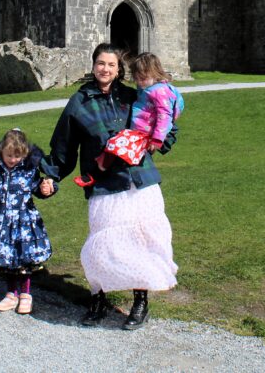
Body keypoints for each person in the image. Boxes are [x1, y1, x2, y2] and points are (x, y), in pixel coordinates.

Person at [41, 43, 179, 330]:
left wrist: (160, 141)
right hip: (103, 184)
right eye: (101, 63)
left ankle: (140, 303)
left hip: (138, 179)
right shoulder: (79, 102)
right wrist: (50, 176)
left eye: (111, 65)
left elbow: (165, 117)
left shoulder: (133, 96)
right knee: (101, 243)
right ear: (93, 66)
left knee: (142, 241)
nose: (105, 69)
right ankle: (98, 298)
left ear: (119, 70)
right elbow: (64, 146)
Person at [0, 128, 56, 315]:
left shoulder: (29, 169)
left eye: (17, 156)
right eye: (9, 155)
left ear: (24, 154)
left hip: (24, 221)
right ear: (1, 151)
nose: (13, 159)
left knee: (24, 258)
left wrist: (48, 188)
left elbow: (38, 190)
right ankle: (11, 294)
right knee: (6, 258)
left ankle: (26, 295)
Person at [77, 52, 184, 185]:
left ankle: (95, 175)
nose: (139, 82)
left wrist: (157, 139)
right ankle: (96, 174)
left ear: (155, 74)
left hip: (146, 134)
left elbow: (164, 116)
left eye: (143, 78)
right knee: (115, 146)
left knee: (117, 145)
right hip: (138, 131)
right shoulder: (147, 88)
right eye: (137, 78)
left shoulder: (160, 91)